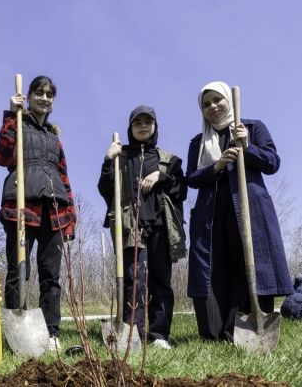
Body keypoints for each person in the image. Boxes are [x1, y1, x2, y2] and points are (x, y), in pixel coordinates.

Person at [186, 81, 293, 342]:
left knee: (248, 264)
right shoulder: (199, 142)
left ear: (228, 100)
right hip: (211, 215)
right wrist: (216, 166)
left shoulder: (252, 128)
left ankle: (248, 326)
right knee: (214, 267)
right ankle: (217, 329)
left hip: (249, 210)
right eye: (206, 104)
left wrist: (247, 146)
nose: (212, 107)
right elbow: (191, 177)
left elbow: (272, 162)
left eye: (217, 100)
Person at [0, 76, 76, 351]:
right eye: (39, 93)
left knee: (51, 275)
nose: (44, 98)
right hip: (22, 208)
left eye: (49, 94)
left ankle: (51, 332)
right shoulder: (18, 124)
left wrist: (70, 217)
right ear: (28, 97)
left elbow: (64, 177)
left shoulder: (54, 137)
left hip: (53, 210)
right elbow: (2, 157)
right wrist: (10, 115)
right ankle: (15, 331)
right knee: (19, 271)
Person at [98, 105, 187, 350]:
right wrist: (108, 160)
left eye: (148, 121)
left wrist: (162, 177)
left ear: (155, 127)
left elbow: (182, 191)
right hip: (130, 225)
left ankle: (159, 335)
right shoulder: (120, 157)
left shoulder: (168, 160)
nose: (143, 126)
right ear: (130, 127)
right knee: (133, 279)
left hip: (160, 225)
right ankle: (132, 333)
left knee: (161, 280)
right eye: (138, 122)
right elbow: (105, 189)